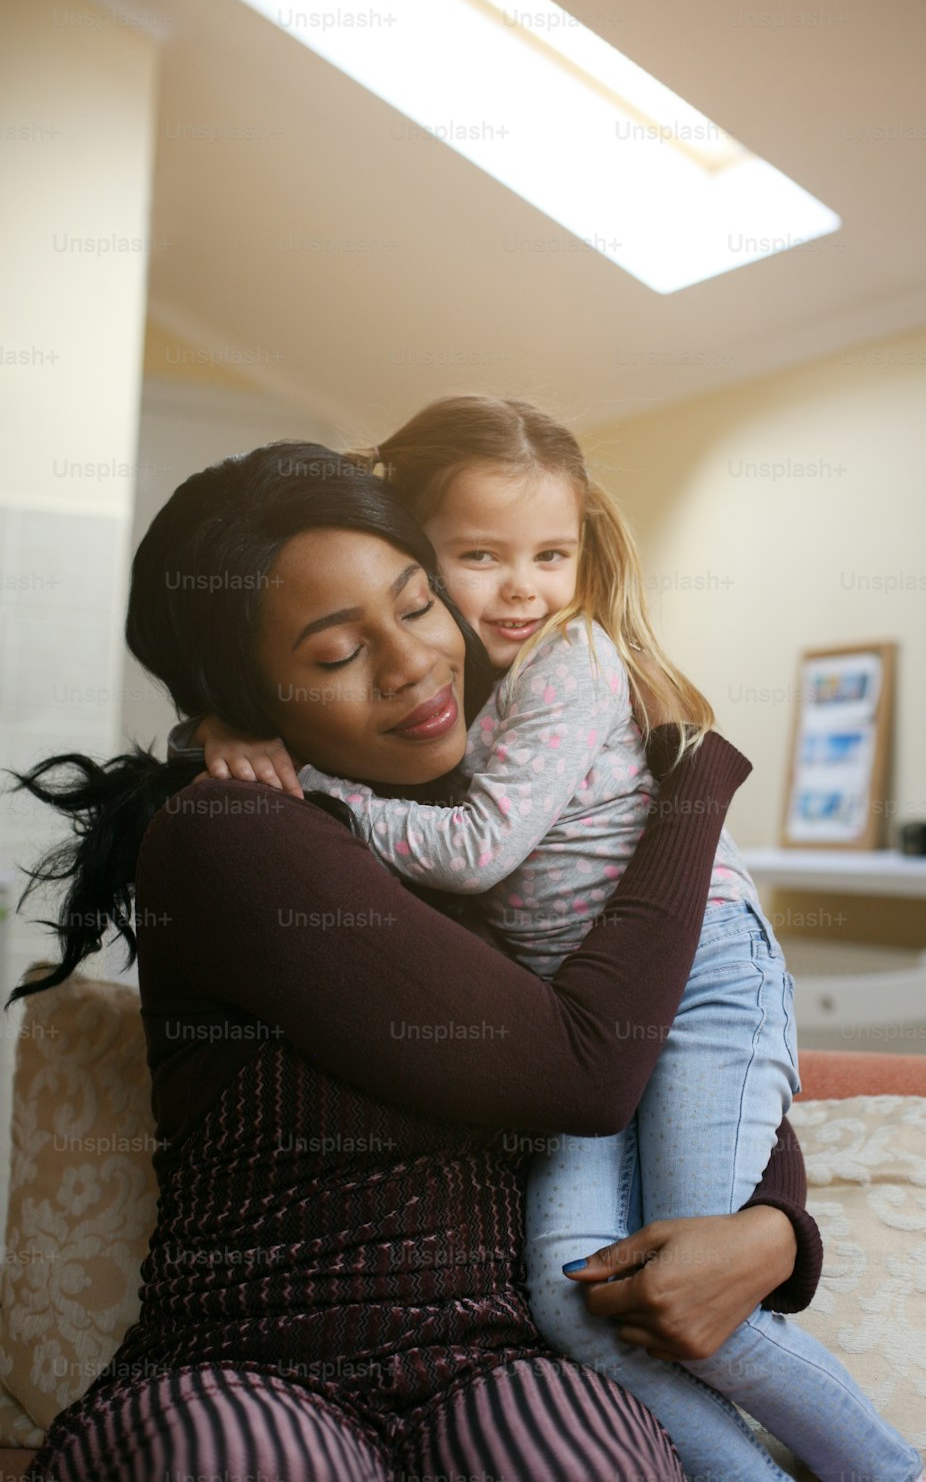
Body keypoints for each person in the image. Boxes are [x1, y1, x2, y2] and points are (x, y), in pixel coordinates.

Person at [9, 441, 818, 1482]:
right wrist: (696, 782)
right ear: (252, 701)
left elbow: (704, 1039)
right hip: (250, 1362)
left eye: (419, 604)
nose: (410, 663)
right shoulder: (232, 835)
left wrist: (774, 1231)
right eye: (337, 655)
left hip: (501, 1359)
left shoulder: (508, 819)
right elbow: (584, 1069)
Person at [187, 402, 924, 1482]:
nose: (522, 586)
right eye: (478, 557)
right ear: (417, 556)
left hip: (703, 980)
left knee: (689, 1292)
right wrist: (218, 722)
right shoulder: (453, 710)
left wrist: (315, 796)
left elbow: (482, 850)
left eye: (550, 554)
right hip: (588, 1021)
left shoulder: (570, 664)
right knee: (583, 1295)